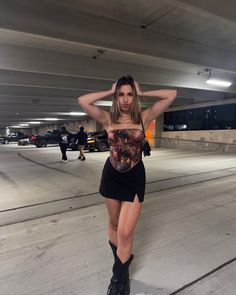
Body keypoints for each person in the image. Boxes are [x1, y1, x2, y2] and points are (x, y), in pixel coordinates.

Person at [78, 75, 177, 295]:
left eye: (129, 94)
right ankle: (122, 273)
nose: (125, 99)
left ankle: (118, 280)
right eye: (121, 94)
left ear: (134, 97)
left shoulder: (145, 116)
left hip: (134, 178)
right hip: (111, 176)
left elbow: (172, 95)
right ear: (116, 97)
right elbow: (83, 101)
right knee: (113, 225)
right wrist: (108, 90)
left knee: (124, 233)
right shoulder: (107, 118)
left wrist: (143, 93)